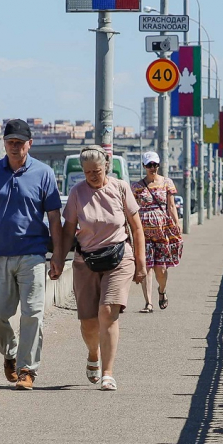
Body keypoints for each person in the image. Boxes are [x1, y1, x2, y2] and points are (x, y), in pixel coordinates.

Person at [0, 119, 63, 391]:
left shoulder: (44, 173)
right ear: (4, 143)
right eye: (10, 142)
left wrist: (57, 254)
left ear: (29, 144)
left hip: (32, 254)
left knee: (32, 313)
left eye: (19, 143)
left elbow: (54, 218)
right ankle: (11, 353)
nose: (14, 147)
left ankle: (27, 370)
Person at [60, 146, 146, 391]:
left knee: (107, 311)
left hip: (119, 257)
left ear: (106, 166)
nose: (92, 176)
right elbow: (68, 231)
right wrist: (58, 259)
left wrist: (141, 263)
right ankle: (93, 353)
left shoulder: (120, 188)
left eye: (96, 171)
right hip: (86, 261)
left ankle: (108, 373)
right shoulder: (77, 193)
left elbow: (136, 228)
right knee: (89, 322)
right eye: (87, 173)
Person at [130, 151, 182, 312]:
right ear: (144, 166)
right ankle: (148, 303)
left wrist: (177, 222)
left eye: (155, 165)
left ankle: (162, 291)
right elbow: (132, 209)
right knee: (146, 267)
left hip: (162, 231)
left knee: (161, 268)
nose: (152, 168)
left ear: (158, 165)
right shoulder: (137, 187)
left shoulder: (167, 182)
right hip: (143, 232)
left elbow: (171, 205)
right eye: (149, 165)